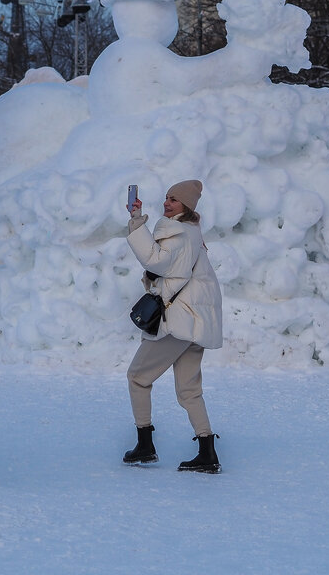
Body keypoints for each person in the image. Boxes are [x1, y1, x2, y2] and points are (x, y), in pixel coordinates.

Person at [122, 180, 225, 474]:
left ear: (187, 206)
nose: (167, 203)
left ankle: (145, 445)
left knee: (137, 377)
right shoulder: (192, 233)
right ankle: (207, 452)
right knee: (189, 390)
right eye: (167, 198)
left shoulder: (177, 233)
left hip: (178, 322)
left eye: (174, 200)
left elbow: (157, 263)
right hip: (195, 323)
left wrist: (135, 222)